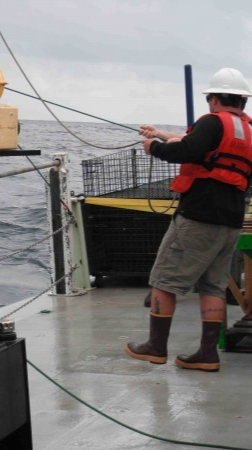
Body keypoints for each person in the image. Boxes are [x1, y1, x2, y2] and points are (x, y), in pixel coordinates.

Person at [124, 68, 252, 372]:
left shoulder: (211, 121)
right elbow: (203, 149)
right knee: (213, 286)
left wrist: (153, 147)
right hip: (231, 220)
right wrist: (159, 134)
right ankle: (207, 354)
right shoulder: (247, 131)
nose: (209, 103)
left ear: (216, 98)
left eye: (210, 98)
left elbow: (188, 149)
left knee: (164, 281)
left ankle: (155, 348)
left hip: (198, 218)